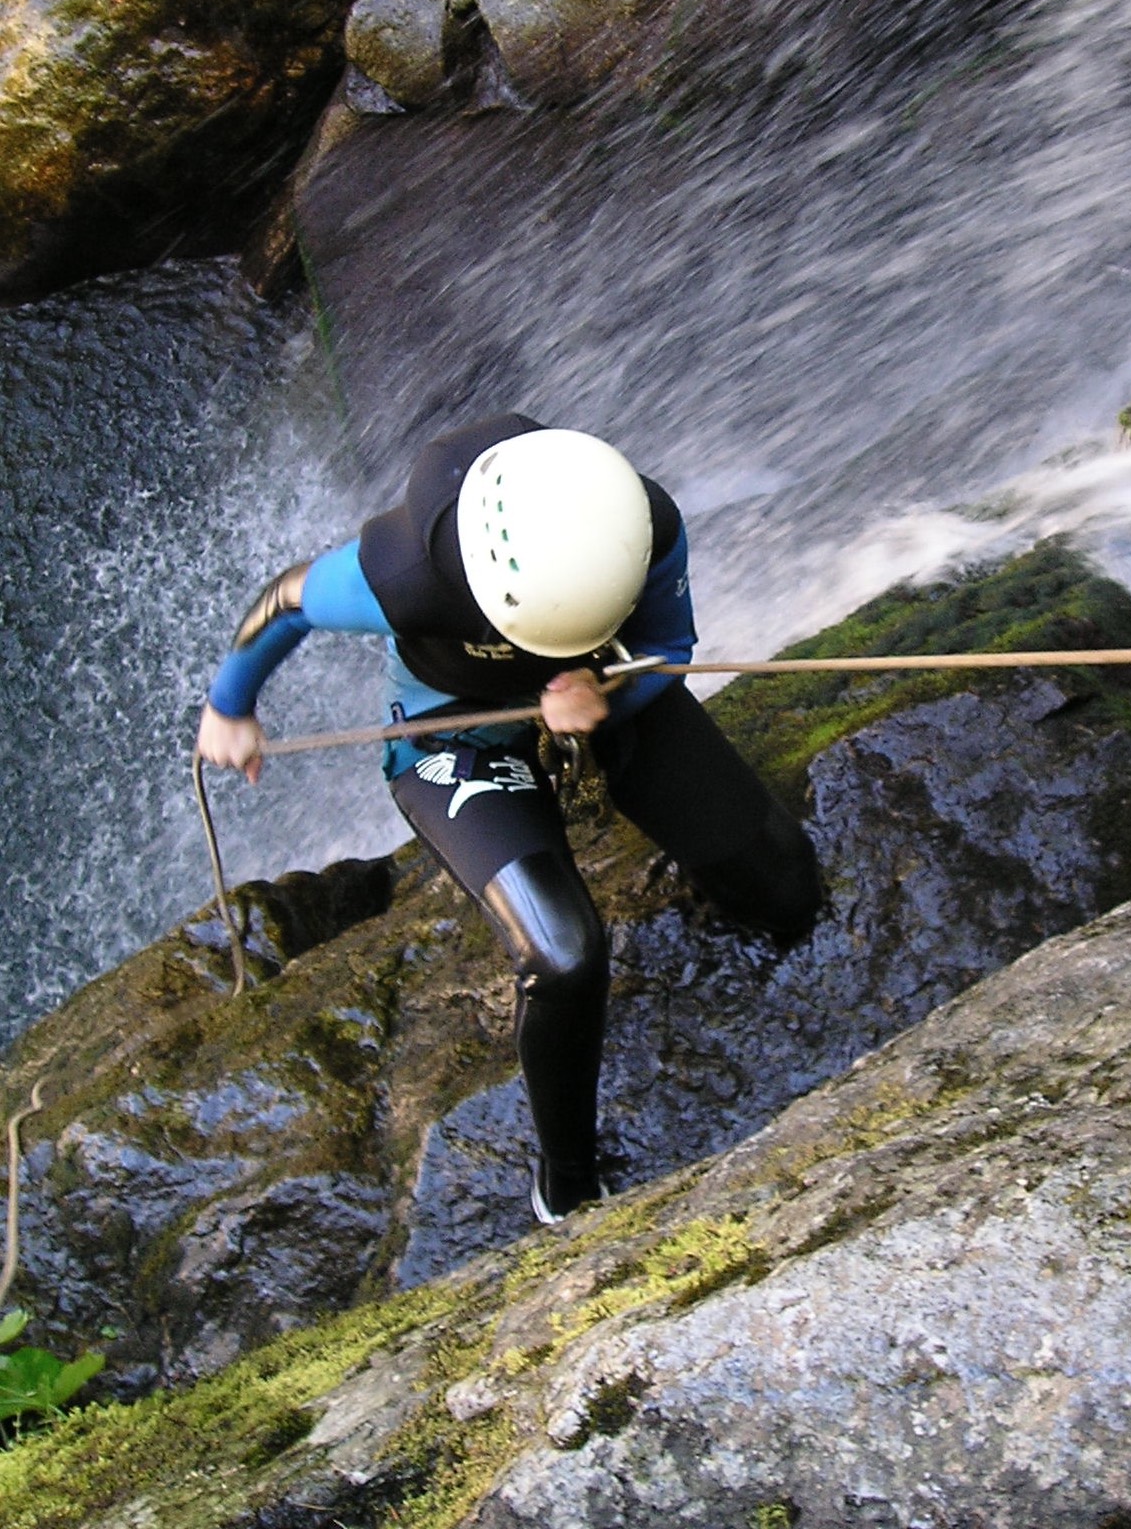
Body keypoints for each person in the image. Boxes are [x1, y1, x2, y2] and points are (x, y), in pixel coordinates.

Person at [196, 413, 820, 1221]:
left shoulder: (636, 519)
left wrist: (607, 694)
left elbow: (668, 642)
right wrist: (228, 706)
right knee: (561, 953)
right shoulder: (406, 573)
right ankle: (566, 1181)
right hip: (455, 726)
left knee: (786, 885)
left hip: (599, 690)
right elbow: (286, 600)